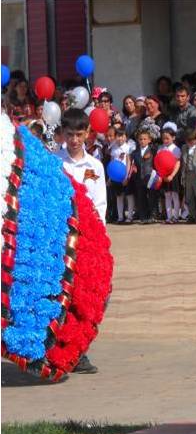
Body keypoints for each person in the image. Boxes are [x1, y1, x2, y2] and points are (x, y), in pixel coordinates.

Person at [58, 108, 107, 374]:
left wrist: (97, 239)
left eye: (79, 134)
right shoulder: (56, 163)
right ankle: (60, 347)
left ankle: (80, 350)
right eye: (69, 134)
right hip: (60, 240)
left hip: (87, 242)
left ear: (88, 133)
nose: (74, 140)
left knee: (89, 296)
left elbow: (99, 205)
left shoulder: (94, 166)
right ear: (62, 134)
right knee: (62, 294)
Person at [131, 129, 157, 223]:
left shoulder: (153, 150)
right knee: (141, 197)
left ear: (149, 140)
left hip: (150, 177)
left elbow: (156, 163)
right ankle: (143, 216)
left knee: (152, 197)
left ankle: (153, 215)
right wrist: (133, 168)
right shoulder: (135, 153)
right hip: (139, 177)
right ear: (138, 140)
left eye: (145, 139)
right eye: (141, 139)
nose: (142, 141)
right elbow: (132, 164)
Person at [110, 128, 136, 223]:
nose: (120, 138)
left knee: (129, 195)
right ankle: (120, 217)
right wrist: (110, 177)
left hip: (126, 175)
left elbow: (129, 162)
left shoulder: (128, 147)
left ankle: (130, 216)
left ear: (126, 137)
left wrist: (127, 176)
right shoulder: (114, 148)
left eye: (122, 136)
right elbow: (112, 162)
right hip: (116, 176)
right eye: (118, 136)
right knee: (119, 196)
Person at [159, 125, 182, 223]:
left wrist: (172, 175)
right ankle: (169, 217)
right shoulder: (161, 149)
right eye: (164, 138)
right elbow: (158, 163)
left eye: (168, 138)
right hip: (164, 175)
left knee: (175, 196)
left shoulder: (176, 149)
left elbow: (177, 163)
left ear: (173, 137)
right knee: (167, 195)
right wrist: (162, 175)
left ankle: (176, 216)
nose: (165, 140)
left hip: (174, 175)